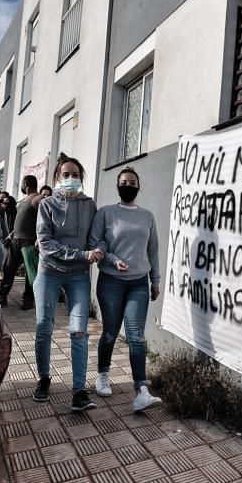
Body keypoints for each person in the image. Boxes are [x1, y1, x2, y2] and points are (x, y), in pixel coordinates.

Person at [32, 154, 104, 412]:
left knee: (79, 331)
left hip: (78, 276)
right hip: (49, 272)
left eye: (76, 175)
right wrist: (81, 254)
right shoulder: (47, 205)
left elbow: (98, 238)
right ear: (57, 178)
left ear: (81, 178)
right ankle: (43, 378)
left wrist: (98, 251)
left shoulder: (89, 205)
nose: (71, 179)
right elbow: (45, 244)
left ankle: (79, 391)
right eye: (66, 175)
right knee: (43, 327)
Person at [89, 167, 162, 413]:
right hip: (111, 281)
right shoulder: (106, 213)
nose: (128, 185)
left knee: (136, 336)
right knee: (110, 332)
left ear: (138, 186)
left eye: (132, 182)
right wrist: (111, 259)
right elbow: (95, 244)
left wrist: (156, 280)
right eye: (124, 182)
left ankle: (141, 390)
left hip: (138, 283)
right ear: (118, 186)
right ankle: (102, 374)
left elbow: (153, 250)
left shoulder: (147, 216)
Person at [0, 176, 44, 309]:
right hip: (16, 241)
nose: (22, 187)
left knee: (30, 273)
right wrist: (11, 235)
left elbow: (46, 220)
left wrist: (39, 238)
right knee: (8, 269)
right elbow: (19, 222)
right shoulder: (23, 201)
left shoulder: (38, 199)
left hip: (29, 242)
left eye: (22, 185)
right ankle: (2, 297)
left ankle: (28, 300)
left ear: (26, 184)